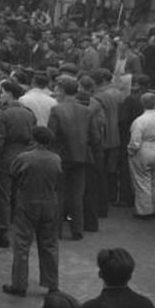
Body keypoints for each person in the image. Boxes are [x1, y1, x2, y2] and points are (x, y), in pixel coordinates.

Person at [3, 126, 61, 297]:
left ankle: (19, 285)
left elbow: (12, 173)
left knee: (21, 244)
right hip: (50, 202)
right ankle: (52, 284)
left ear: (34, 139)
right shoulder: (55, 159)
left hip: (27, 201)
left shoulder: (25, 157)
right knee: (49, 244)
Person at [47, 75, 99, 240]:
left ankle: (57, 230)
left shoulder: (56, 110)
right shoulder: (86, 111)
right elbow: (95, 137)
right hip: (81, 156)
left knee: (59, 193)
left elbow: (51, 135)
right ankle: (77, 230)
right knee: (77, 194)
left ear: (62, 90)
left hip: (61, 156)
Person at [0, 80, 36, 248]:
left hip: (5, 159)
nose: (0, 96)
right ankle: (23, 228)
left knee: (3, 195)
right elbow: (33, 137)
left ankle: (3, 231)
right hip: (24, 157)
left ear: (9, 94)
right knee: (20, 195)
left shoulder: (2, 114)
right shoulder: (28, 113)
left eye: (2, 92)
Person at [127, 92, 155, 219]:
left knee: (142, 180)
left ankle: (145, 210)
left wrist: (131, 151)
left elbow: (135, 141)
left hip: (143, 149)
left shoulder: (139, 121)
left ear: (142, 103)